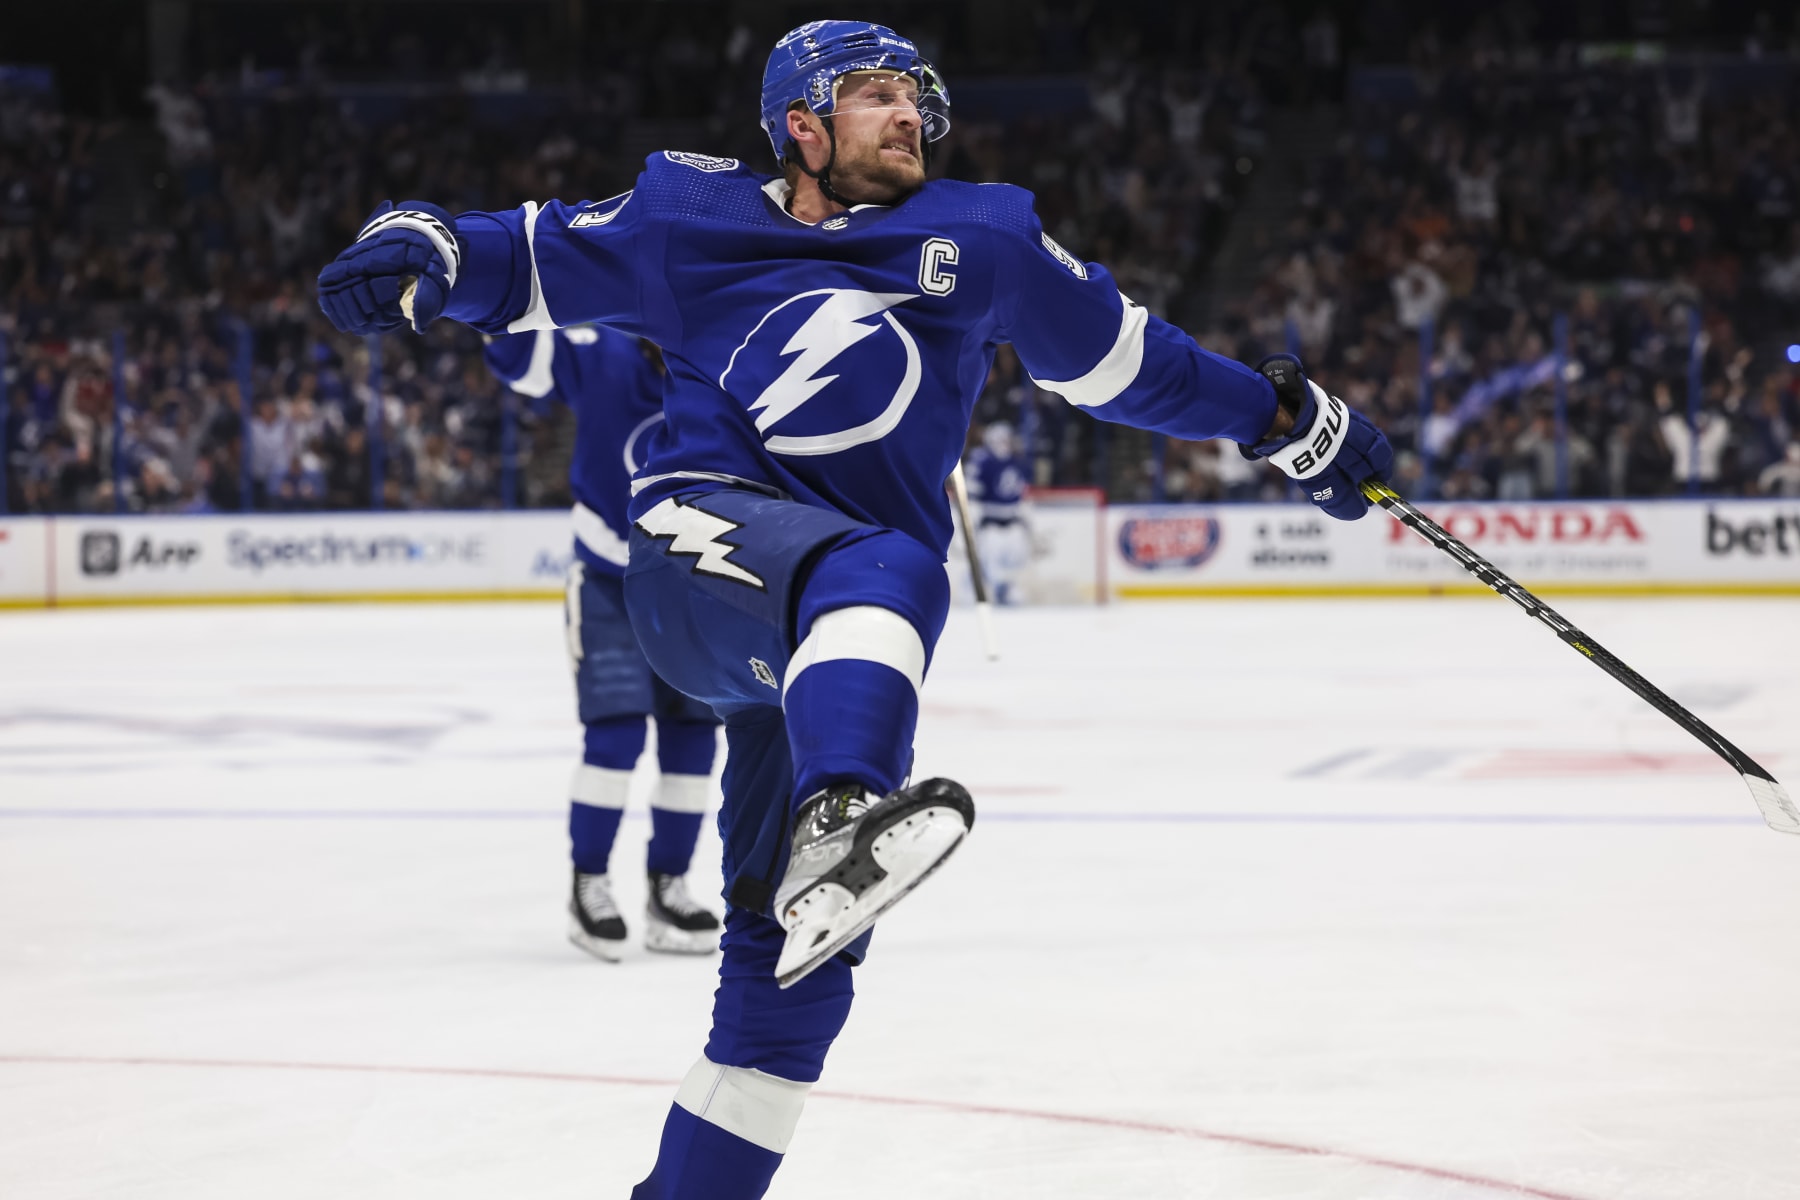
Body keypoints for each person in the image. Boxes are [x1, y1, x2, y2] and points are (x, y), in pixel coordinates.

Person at [318, 21, 1394, 1197]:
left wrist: (1282, 421)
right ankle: (843, 809)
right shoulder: (688, 218)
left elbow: (1137, 364)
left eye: (915, 99)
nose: (908, 116)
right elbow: (523, 256)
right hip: (695, 560)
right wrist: (419, 242)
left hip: (830, 647)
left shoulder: (985, 239)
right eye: (875, 95)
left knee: (788, 996)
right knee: (889, 569)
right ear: (801, 126)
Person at [483, 325, 725, 960]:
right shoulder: (599, 348)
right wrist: (493, 278)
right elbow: (517, 356)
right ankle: (588, 883)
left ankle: (668, 885)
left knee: (693, 741)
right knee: (615, 736)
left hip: (695, 582)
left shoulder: (732, 351)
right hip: (608, 579)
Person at [965, 421, 1030, 604]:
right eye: (1001, 440)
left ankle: (1007, 588)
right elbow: (972, 493)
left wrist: (1024, 516)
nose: (1005, 444)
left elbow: (1020, 492)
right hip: (990, 523)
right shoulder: (982, 460)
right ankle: (974, 586)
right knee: (988, 556)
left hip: (1012, 521)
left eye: (1007, 440)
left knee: (1015, 555)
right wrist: (974, 516)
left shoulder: (1016, 461)